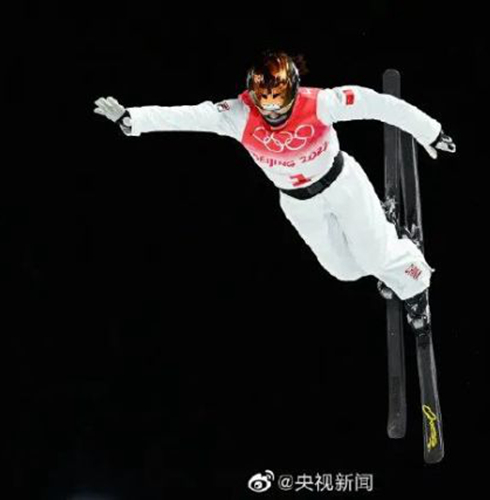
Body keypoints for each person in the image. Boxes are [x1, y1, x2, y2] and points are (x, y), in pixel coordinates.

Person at [93, 50, 456, 333]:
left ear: (293, 92)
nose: (274, 116)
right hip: (299, 204)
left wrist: (430, 131)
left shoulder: (320, 103)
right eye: (265, 107)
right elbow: (189, 116)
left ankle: (414, 281)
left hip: (342, 184)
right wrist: (132, 119)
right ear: (254, 96)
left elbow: (377, 104)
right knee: (345, 270)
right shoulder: (238, 115)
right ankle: (384, 237)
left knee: (376, 257)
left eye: (280, 108)